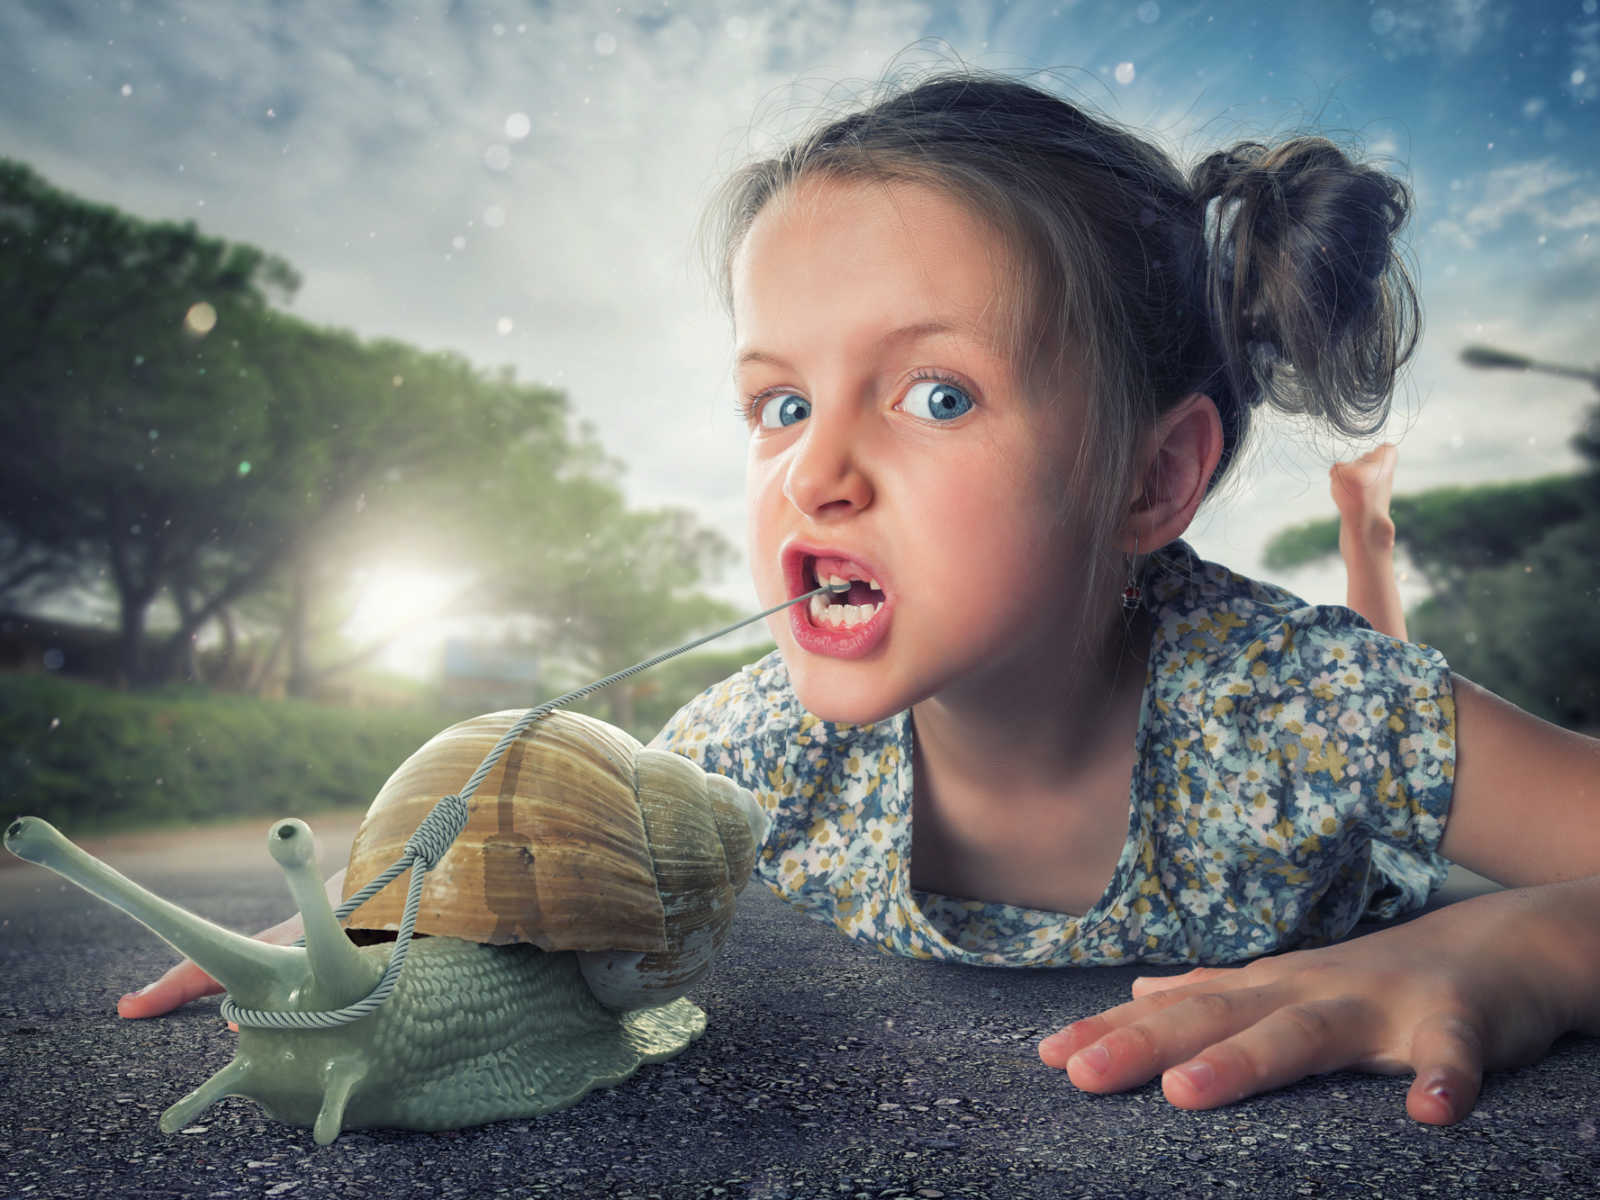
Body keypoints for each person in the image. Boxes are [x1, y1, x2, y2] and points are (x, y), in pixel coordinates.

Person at [121, 71, 1599, 1126]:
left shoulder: (1303, 706)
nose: (813, 473)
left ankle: (1375, 552)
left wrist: (1511, 946)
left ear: (1152, 482)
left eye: (936, 393)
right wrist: (385, 927)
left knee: (1435, 798)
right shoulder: (759, 746)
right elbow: (541, 877)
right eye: (776, 405)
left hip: (1391, 857)